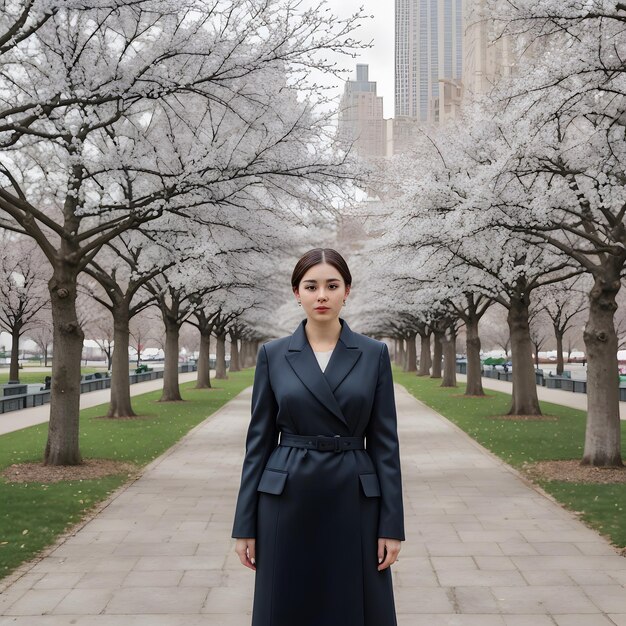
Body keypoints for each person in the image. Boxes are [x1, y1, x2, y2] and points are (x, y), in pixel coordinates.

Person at [232, 248, 405, 626]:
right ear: (297, 292)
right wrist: (244, 524)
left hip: (355, 498)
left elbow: (386, 445)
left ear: (348, 291)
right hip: (286, 497)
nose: (322, 295)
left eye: (332, 285)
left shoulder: (374, 354)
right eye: (311, 286)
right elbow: (258, 444)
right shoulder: (273, 355)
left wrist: (392, 526)